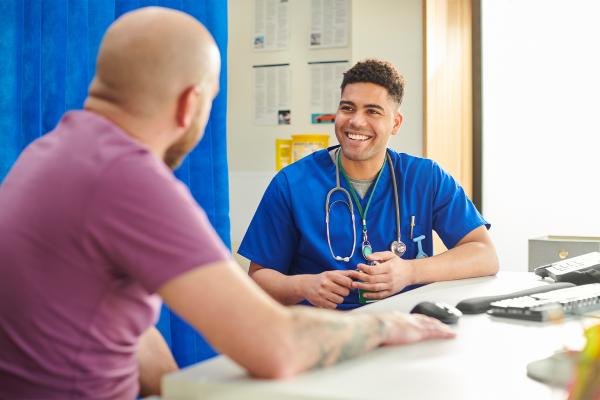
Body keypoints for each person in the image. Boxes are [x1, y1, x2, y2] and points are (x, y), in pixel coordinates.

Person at [0, 9, 455, 400]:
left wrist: (179, 387)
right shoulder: (132, 183)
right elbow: (276, 344)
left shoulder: (46, 156)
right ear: (189, 103)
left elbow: (125, 329)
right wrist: (387, 327)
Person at [240, 59, 499, 310]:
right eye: (347, 108)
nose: (356, 121)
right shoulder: (292, 184)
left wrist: (409, 271)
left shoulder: (425, 178)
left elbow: (484, 254)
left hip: (404, 325)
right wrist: (304, 286)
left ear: (395, 123)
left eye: (372, 111)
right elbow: (258, 278)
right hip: (323, 331)